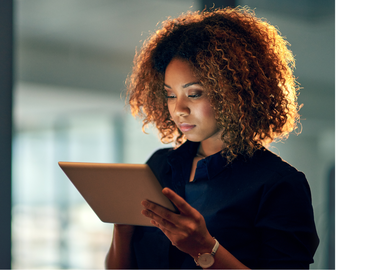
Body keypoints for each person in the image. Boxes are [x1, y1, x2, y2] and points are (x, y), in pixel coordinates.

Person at [105, 6, 319, 269]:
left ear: (233, 93)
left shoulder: (278, 185)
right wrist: (121, 230)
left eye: (193, 94)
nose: (179, 109)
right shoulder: (159, 166)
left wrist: (205, 248)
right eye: (170, 94)